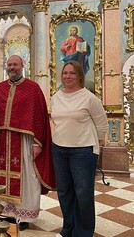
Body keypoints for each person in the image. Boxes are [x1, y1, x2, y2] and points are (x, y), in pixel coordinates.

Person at [0, 55, 55, 231]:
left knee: (28, 177)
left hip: (25, 141)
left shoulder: (33, 89)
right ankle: (5, 212)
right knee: (2, 175)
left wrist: (38, 143)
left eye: (15, 64)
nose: (12, 67)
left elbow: (40, 119)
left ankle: (24, 214)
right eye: (9, 64)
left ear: (22, 66)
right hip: (3, 140)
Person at [51, 61, 108, 237]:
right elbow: (56, 121)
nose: (68, 76)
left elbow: (102, 127)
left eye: (72, 73)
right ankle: (68, 228)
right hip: (59, 149)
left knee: (83, 194)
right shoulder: (56, 96)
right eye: (65, 73)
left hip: (82, 152)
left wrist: (87, 141)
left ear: (80, 76)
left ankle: (83, 232)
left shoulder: (89, 98)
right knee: (64, 192)